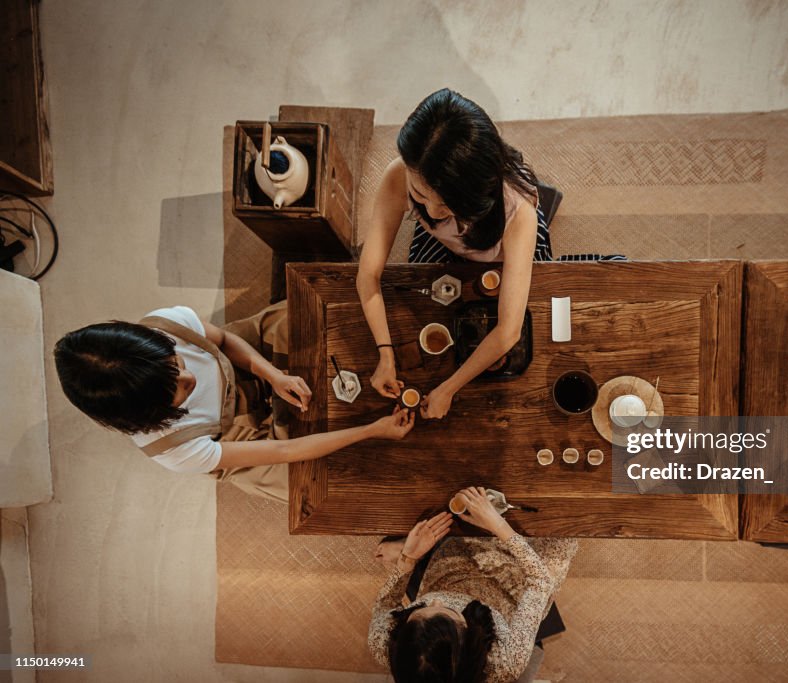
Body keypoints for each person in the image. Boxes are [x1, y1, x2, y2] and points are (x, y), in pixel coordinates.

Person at [53, 302, 414, 503]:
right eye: (176, 391)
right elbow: (287, 452)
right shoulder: (173, 450)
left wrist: (273, 375)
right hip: (236, 434)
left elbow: (224, 340)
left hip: (243, 362)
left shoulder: (166, 325)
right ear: (150, 414)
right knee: (315, 483)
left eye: (176, 364)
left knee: (313, 315)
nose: (189, 378)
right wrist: (371, 430)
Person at [356, 88, 546, 420]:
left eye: (446, 203)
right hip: (450, 244)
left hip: (498, 247)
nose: (431, 211)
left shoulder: (518, 214)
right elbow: (368, 276)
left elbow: (508, 331)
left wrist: (448, 387)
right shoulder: (400, 174)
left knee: (539, 305)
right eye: (419, 194)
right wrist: (385, 354)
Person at [368, 487, 577, 683]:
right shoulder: (506, 661)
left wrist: (409, 558)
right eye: (449, 610)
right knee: (566, 523)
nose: (435, 599)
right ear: (468, 640)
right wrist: (498, 526)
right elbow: (539, 581)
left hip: (449, 569)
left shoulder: (385, 645)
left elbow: (385, 605)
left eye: (419, 608)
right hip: (513, 587)